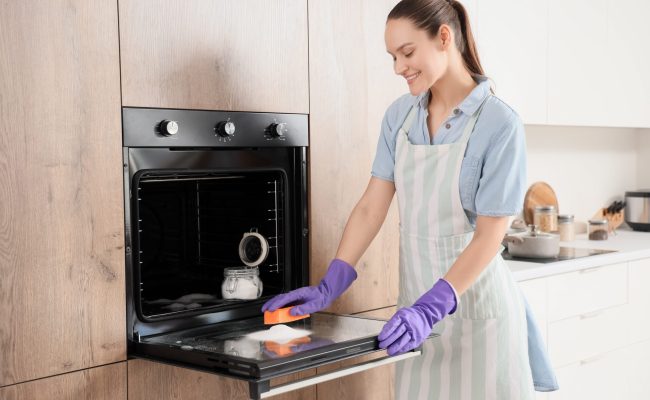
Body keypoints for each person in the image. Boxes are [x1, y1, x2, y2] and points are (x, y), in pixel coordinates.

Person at [262, 0, 557, 398]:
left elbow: (490, 236)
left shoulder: (498, 123)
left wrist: (432, 306)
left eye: (407, 52)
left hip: (477, 315)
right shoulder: (400, 116)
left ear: (444, 38)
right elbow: (371, 206)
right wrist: (333, 280)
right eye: (393, 56)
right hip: (413, 318)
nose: (399, 67)